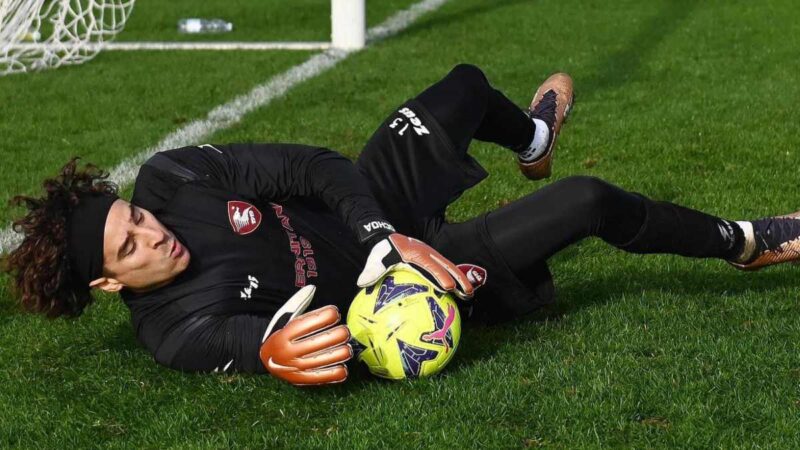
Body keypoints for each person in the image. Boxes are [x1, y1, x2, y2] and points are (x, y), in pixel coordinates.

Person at [4, 64, 799, 386]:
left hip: (376, 214)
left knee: (464, 88)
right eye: (131, 246)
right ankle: (745, 243)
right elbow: (257, 346)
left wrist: (381, 232)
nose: (153, 234)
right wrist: (277, 354)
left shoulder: (173, 178)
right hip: (408, 283)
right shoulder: (175, 330)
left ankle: (533, 139)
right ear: (107, 283)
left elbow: (312, 166)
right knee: (588, 200)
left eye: (137, 218)